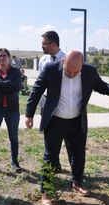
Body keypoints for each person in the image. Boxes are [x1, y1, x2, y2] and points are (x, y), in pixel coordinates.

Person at [25, 51, 109, 205]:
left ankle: (77, 182)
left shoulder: (89, 71)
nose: (72, 74)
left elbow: (102, 86)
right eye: (68, 71)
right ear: (63, 62)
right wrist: (29, 115)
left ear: (82, 66)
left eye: (76, 72)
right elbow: (36, 90)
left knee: (79, 154)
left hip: (76, 121)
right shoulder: (50, 69)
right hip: (55, 121)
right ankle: (46, 191)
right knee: (51, 156)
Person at [38, 30, 67, 172]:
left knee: (60, 134)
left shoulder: (66, 59)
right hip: (45, 102)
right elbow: (39, 84)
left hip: (59, 103)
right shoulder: (43, 60)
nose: (42, 46)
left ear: (53, 44)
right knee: (48, 134)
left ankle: (55, 161)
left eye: (44, 44)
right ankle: (53, 162)